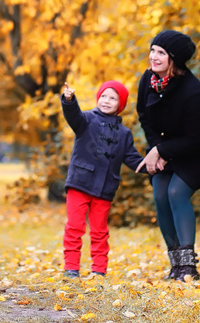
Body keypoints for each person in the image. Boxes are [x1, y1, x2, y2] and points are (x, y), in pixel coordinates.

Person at [135, 30, 200, 281]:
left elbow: (195, 139)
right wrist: (157, 149)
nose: (153, 56)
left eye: (161, 53)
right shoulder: (148, 80)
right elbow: (144, 116)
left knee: (176, 192)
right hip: (165, 146)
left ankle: (188, 267)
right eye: (153, 50)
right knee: (160, 194)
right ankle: (175, 265)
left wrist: (161, 151)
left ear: (174, 59)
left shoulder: (193, 92)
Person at [60, 80, 144, 278]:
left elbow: (133, 159)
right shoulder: (86, 119)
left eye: (113, 98)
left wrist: (153, 165)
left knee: (100, 231)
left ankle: (99, 270)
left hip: (105, 188)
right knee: (75, 227)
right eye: (104, 96)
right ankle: (71, 268)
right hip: (79, 183)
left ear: (120, 104)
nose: (106, 101)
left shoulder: (124, 134)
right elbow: (73, 115)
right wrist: (69, 100)